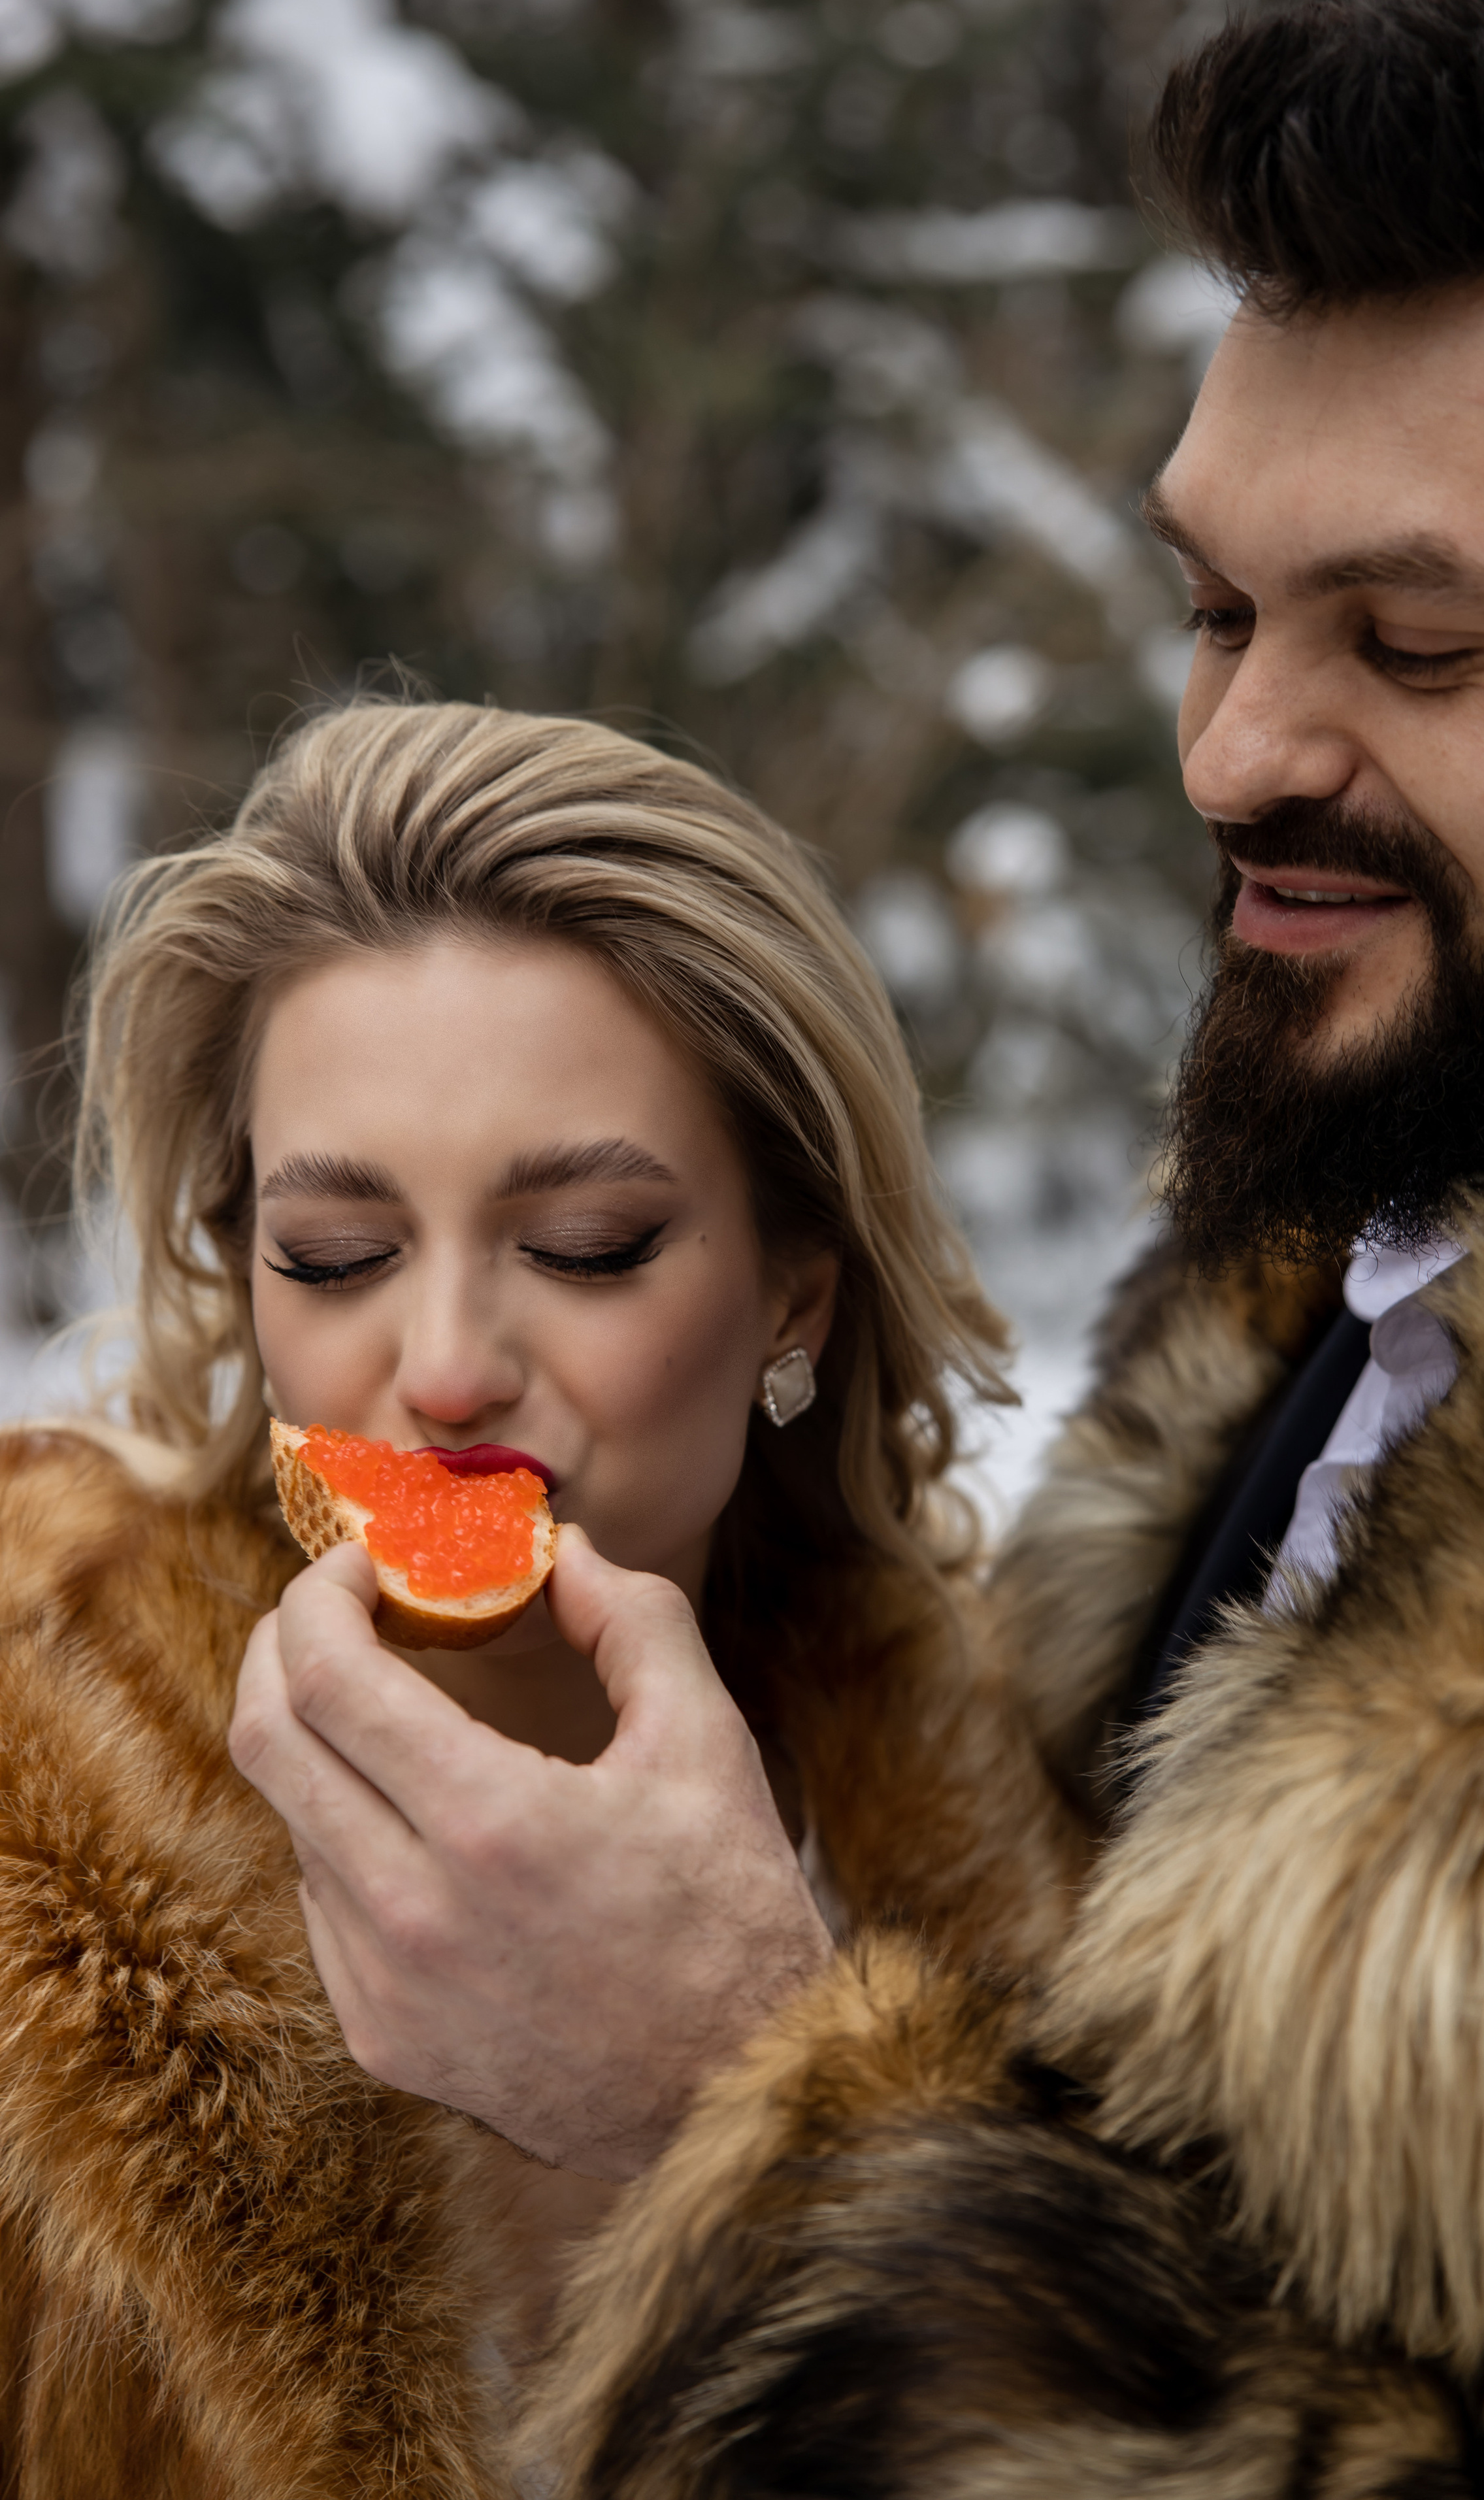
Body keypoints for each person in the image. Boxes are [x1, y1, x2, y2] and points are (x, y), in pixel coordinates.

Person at [232, 0, 1484, 2492]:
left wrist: (741, 2099)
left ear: (800, 1287)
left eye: (1415, 646)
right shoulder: (1350, 1234)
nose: (1229, 756)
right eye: (1216, 609)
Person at [0, 699, 1081, 2495]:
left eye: (586, 1247)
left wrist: (773, 2098)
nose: (439, 1371)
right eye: (334, 1254)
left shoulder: (1077, 1833)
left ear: (796, 1297)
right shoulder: (31, 1802)